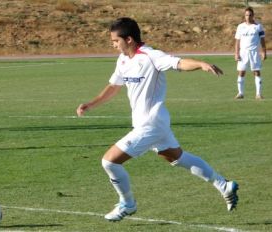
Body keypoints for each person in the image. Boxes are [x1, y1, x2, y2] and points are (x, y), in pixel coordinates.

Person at [76, 17, 239, 222]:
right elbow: (114, 86)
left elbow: (178, 63)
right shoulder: (123, 60)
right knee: (178, 158)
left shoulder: (151, 56)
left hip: (151, 123)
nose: (113, 45)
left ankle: (128, 204)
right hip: (153, 123)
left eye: (115, 41)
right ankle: (223, 184)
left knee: (109, 162)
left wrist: (200, 64)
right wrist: (91, 104)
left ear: (129, 39)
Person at [234, 7, 266, 100]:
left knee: (256, 72)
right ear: (244, 16)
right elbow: (237, 41)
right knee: (241, 72)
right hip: (243, 53)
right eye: (246, 15)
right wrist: (236, 53)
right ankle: (240, 93)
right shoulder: (240, 26)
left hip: (254, 53)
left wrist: (263, 51)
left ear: (253, 16)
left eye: (250, 15)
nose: (248, 17)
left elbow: (262, 40)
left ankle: (258, 94)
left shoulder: (258, 26)